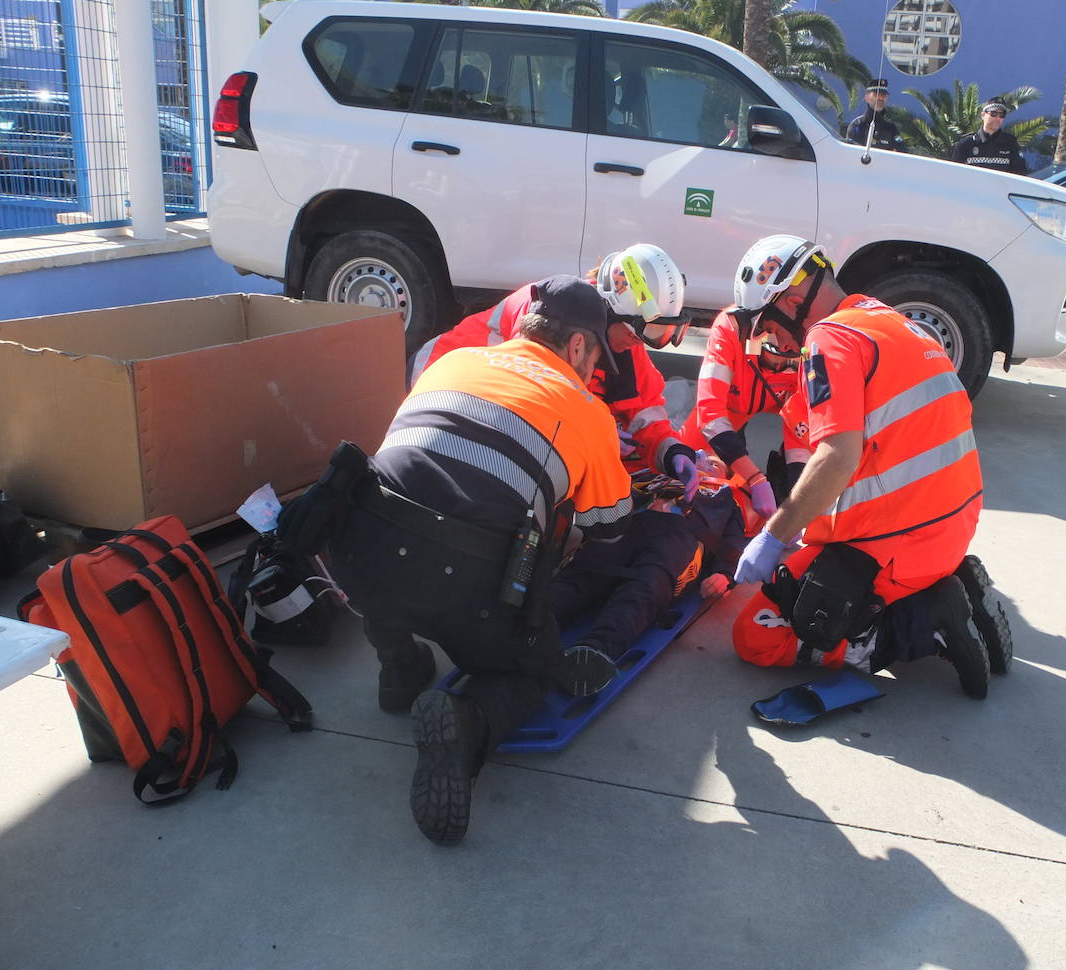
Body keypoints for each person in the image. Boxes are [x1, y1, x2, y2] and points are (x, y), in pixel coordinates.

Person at [280, 276, 632, 846]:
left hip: (356, 553)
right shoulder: (587, 410)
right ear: (576, 347)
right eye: (596, 361)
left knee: (395, 532)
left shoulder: (454, 360)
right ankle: (466, 723)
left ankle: (399, 667)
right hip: (465, 585)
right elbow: (611, 530)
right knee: (525, 669)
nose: (594, 375)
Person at [726, 235, 1009, 698]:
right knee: (808, 569)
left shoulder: (828, 339)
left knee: (755, 636)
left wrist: (775, 535)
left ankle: (925, 623)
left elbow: (838, 457)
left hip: (894, 545)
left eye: (768, 326)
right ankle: (945, 585)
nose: (772, 340)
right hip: (954, 528)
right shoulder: (894, 323)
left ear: (793, 301)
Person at [407, 243, 700, 498]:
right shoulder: (545, 312)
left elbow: (645, 411)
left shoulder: (626, 337)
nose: (640, 342)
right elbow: (529, 407)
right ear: (611, 312)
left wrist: (670, 450)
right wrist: (598, 432)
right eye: (641, 331)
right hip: (432, 390)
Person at [548, 457, 746, 687]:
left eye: (715, 464)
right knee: (585, 570)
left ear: (725, 475)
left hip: (681, 536)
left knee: (647, 585)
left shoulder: (725, 497)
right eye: (700, 458)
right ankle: (526, 626)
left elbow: (734, 543)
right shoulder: (655, 475)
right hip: (629, 525)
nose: (704, 464)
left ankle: (593, 652)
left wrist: (724, 574)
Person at [678, 306, 806, 528]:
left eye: (788, 359)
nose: (778, 366)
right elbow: (710, 413)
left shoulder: (809, 344)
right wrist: (754, 477)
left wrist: (797, 496)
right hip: (727, 407)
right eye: (773, 356)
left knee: (793, 480)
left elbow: (803, 427)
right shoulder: (729, 329)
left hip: (775, 404)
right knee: (680, 468)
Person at [949, 97, 1027, 174]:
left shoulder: (1010, 144)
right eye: (993, 113)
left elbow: (1020, 174)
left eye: (1001, 115)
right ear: (983, 115)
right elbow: (954, 174)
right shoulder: (966, 144)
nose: (997, 118)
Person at [845, 78, 906, 152]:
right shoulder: (858, 125)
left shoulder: (891, 129)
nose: (880, 98)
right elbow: (851, 152)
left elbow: (900, 152)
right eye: (876, 94)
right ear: (866, 97)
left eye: (883, 95)